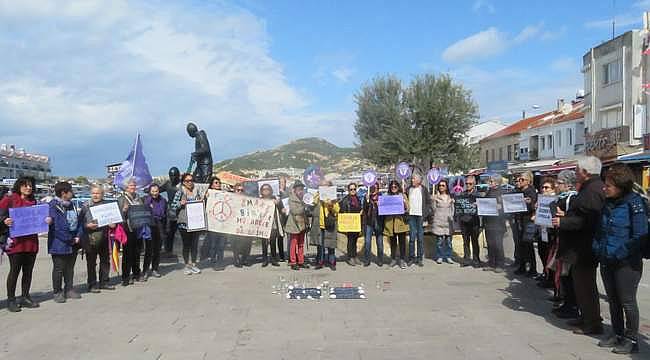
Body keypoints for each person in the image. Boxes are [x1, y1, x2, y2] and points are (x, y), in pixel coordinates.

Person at [592, 164, 646, 354]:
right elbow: (600, 229)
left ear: (621, 186)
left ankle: (631, 340)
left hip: (626, 263)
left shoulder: (635, 203)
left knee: (627, 301)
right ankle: (617, 333)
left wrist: (619, 253)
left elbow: (640, 235)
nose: (604, 188)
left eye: (608, 185)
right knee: (613, 300)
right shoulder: (607, 203)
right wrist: (597, 247)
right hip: (607, 258)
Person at [552, 156, 605, 335]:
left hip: (584, 248)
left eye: (577, 170)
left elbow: (587, 221)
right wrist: (566, 215)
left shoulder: (592, 191)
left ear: (585, 172)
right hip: (580, 247)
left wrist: (563, 222)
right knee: (581, 285)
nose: (575, 173)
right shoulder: (590, 188)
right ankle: (586, 317)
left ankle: (592, 322)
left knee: (585, 286)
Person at [0, 176, 45, 312]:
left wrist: (46, 220)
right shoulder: (9, 199)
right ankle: (11, 299)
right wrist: (4, 221)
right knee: (14, 272)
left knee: (28, 272)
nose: (28, 188)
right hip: (15, 243)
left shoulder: (33, 201)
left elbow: (39, 220)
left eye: (31, 185)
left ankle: (25, 297)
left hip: (31, 242)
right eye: (25, 185)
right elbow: (0, 215)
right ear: (19, 186)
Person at [48, 181, 83, 303]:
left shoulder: (72, 205)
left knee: (70, 268)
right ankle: (57, 291)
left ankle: (69, 289)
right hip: (59, 243)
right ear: (63, 193)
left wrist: (78, 236)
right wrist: (69, 239)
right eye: (71, 191)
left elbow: (79, 222)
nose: (72, 193)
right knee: (59, 268)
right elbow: (56, 227)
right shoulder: (53, 206)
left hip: (73, 242)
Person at [552, 170, 580, 320]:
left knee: (568, 276)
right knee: (563, 275)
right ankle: (566, 302)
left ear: (568, 184)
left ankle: (572, 305)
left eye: (560, 183)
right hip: (560, 240)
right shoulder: (561, 198)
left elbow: (577, 219)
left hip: (570, 244)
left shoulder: (573, 198)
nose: (557, 185)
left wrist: (564, 217)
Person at [79, 185, 116, 293]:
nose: (95, 195)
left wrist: (113, 224)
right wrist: (87, 226)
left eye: (98, 193)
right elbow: (80, 223)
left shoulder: (107, 205)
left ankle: (104, 282)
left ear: (102, 194)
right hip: (90, 238)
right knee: (91, 263)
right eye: (93, 193)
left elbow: (113, 220)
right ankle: (92, 284)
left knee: (105, 261)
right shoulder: (86, 206)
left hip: (104, 236)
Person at [170, 173, 203, 275]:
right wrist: (180, 203)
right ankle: (186, 265)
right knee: (186, 245)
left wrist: (202, 200)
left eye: (191, 180)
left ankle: (193, 264)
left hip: (195, 223)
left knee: (194, 245)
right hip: (184, 223)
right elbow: (173, 206)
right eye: (187, 181)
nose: (190, 182)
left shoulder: (196, 191)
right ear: (183, 182)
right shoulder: (180, 192)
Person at [118, 178, 146, 285]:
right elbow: (119, 216)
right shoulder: (122, 199)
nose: (133, 188)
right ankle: (125, 276)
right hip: (127, 229)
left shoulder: (138, 197)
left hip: (137, 228)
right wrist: (124, 211)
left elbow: (143, 210)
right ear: (126, 187)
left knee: (137, 252)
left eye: (134, 186)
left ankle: (136, 274)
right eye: (131, 186)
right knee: (127, 253)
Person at [514, 171, 538, 277]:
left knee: (528, 245)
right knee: (521, 245)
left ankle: (532, 269)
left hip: (528, 221)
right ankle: (522, 266)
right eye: (518, 179)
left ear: (528, 181)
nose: (519, 181)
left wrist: (530, 203)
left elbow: (534, 206)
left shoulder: (531, 191)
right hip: (519, 220)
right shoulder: (518, 191)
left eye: (522, 179)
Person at [482, 174, 506, 273]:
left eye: (491, 181)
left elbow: (506, 206)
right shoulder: (489, 191)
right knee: (490, 244)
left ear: (497, 182)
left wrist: (501, 207)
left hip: (498, 223)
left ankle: (500, 264)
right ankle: (491, 263)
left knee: (498, 245)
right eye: (490, 181)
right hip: (488, 222)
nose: (489, 183)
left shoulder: (502, 193)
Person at [406, 173, 431, 267]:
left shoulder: (423, 189)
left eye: (413, 179)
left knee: (420, 238)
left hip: (420, 216)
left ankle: (420, 258)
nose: (412, 180)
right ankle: (411, 258)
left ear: (419, 180)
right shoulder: (408, 189)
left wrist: (426, 214)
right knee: (412, 238)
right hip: (411, 216)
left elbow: (428, 202)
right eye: (412, 178)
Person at [536, 177, 557, 289]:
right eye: (543, 187)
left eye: (547, 187)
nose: (544, 189)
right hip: (542, 230)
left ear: (553, 188)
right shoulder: (541, 199)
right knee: (541, 252)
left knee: (549, 255)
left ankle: (551, 279)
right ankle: (546, 274)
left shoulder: (555, 199)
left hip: (551, 232)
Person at [383, 180, 410, 269]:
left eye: (395, 187)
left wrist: (404, 203)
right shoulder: (387, 196)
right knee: (393, 242)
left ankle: (402, 260)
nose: (394, 188)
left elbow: (408, 209)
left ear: (398, 187)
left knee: (402, 242)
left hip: (400, 222)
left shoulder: (402, 196)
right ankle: (393, 259)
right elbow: (383, 208)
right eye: (392, 187)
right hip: (390, 223)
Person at [312, 186, 339, 271]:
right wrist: (318, 194)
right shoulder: (318, 197)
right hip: (320, 224)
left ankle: (332, 262)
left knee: (331, 245)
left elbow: (337, 210)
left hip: (329, 224)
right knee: (320, 245)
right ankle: (320, 261)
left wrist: (331, 204)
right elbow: (313, 203)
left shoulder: (333, 198)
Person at [143, 183, 166, 279]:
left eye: (156, 191)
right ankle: (145, 270)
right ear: (149, 191)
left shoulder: (163, 200)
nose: (155, 193)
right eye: (152, 191)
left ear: (159, 191)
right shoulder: (146, 200)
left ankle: (155, 269)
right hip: (149, 225)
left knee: (157, 249)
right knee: (149, 250)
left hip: (159, 225)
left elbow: (163, 213)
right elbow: (144, 212)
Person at [284, 180, 308, 270]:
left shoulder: (303, 198)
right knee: (293, 244)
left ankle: (301, 261)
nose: (300, 191)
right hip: (294, 224)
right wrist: (304, 206)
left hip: (302, 223)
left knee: (301, 243)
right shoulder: (291, 199)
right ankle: (293, 261)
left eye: (302, 189)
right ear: (294, 190)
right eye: (299, 189)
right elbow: (295, 211)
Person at [204, 176, 227, 270]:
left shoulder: (224, 194)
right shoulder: (208, 194)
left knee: (221, 245)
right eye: (216, 183)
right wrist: (205, 198)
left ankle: (220, 262)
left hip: (223, 225)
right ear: (212, 185)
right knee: (213, 245)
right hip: (212, 224)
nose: (218, 184)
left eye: (219, 183)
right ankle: (213, 261)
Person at [458, 175, 481, 267]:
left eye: (470, 184)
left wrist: (478, 205)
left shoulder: (478, 195)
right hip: (464, 221)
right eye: (466, 183)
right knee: (466, 241)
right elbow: (458, 207)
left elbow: (483, 208)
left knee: (475, 241)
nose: (468, 185)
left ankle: (476, 260)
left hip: (474, 221)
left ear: (474, 184)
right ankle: (466, 259)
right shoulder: (462, 195)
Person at [339, 182, 363, 266]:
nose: (353, 191)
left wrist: (361, 211)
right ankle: (350, 257)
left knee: (355, 240)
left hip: (356, 223)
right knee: (350, 240)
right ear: (348, 190)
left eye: (354, 189)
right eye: (351, 189)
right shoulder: (345, 200)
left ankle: (355, 255)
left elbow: (360, 208)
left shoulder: (358, 198)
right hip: (349, 223)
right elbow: (342, 211)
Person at [260, 183, 283, 267]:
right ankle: (265, 259)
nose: (266, 191)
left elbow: (282, 209)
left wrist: (278, 203)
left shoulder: (275, 199)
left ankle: (273, 259)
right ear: (261, 191)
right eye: (264, 189)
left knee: (273, 242)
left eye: (267, 189)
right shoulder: (259, 200)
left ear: (270, 191)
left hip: (272, 223)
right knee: (264, 243)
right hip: (263, 224)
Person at [432, 179, 455, 264]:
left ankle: (448, 256)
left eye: (443, 185)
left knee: (449, 242)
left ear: (446, 187)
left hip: (448, 222)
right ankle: (440, 256)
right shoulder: (436, 197)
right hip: (439, 222)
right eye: (440, 185)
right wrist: (433, 200)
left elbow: (453, 209)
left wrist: (451, 217)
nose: (441, 187)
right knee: (439, 242)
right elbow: (433, 209)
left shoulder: (450, 197)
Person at [230, 183, 253, 267]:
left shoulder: (248, 200)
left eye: (242, 190)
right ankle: (236, 259)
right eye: (238, 190)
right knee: (236, 243)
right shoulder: (230, 199)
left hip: (246, 224)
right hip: (234, 224)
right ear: (234, 191)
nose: (240, 191)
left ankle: (245, 259)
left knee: (247, 242)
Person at [160, 166, 180, 256]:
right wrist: (148, 189)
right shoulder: (168, 184)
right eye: (171, 175)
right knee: (169, 232)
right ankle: (168, 250)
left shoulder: (182, 185)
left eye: (175, 175)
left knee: (182, 231)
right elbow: (159, 189)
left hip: (181, 210)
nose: (173, 177)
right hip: (171, 211)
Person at [363, 184, 384, 267]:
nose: (374, 189)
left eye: (376, 188)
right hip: (369, 222)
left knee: (380, 242)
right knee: (367, 242)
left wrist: (380, 205)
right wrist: (367, 201)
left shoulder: (381, 197)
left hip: (379, 222)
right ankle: (367, 260)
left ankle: (380, 260)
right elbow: (364, 209)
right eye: (373, 188)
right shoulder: (367, 197)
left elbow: (385, 210)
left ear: (378, 189)